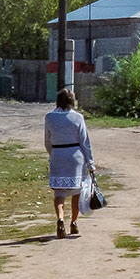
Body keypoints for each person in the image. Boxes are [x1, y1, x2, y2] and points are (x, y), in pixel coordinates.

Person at [44, 88, 95, 239]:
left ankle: (60, 218)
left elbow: (47, 141)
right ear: (72, 102)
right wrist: (90, 163)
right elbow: (85, 142)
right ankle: (73, 222)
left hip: (58, 155)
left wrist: (53, 154)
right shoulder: (78, 118)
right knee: (76, 191)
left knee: (59, 193)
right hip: (75, 157)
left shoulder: (49, 118)